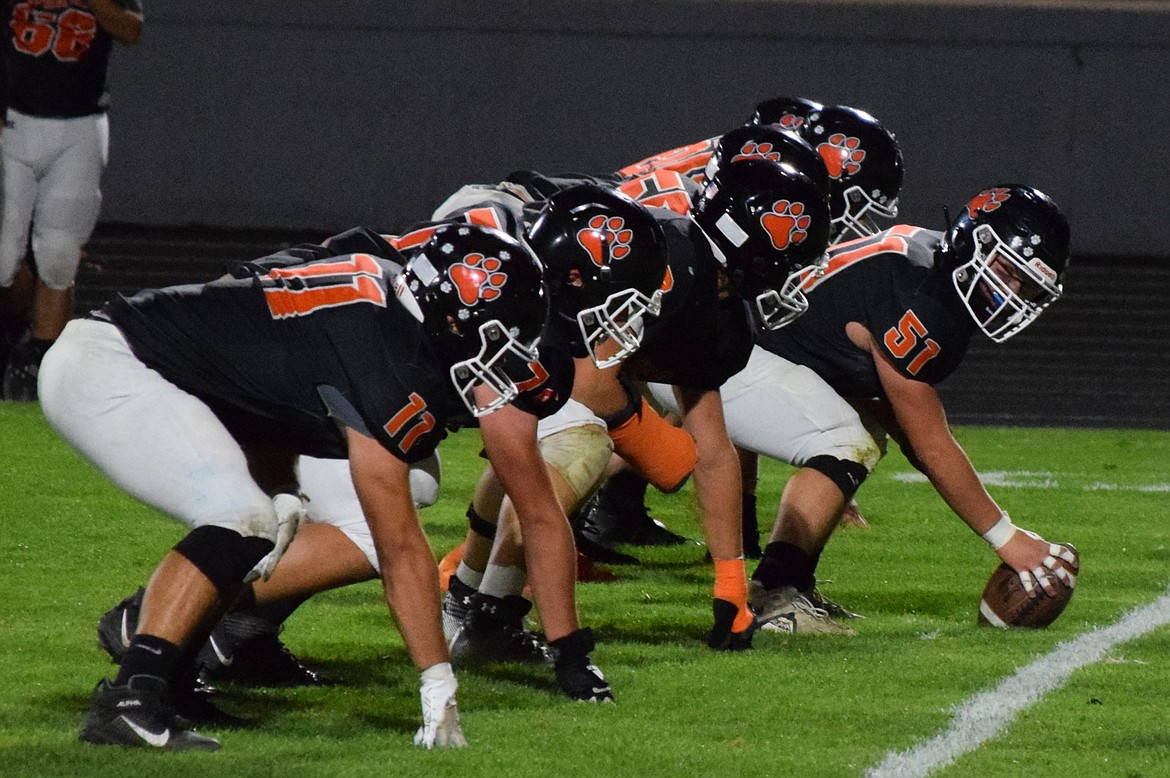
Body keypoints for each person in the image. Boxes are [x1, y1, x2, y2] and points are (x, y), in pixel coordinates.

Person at [40, 223, 588, 751]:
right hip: (112, 365)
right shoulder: (381, 351)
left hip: (150, 366)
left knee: (261, 522)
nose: (505, 362)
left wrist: (280, 480)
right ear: (452, 317)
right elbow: (398, 544)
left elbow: (262, 376)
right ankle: (129, 701)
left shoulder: (386, 312)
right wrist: (437, 683)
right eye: (501, 336)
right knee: (240, 518)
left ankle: (170, 683)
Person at [653, 184, 1080, 633]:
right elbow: (931, 445)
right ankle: (774, 596)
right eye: (1007, 271)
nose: (1011, 290)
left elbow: (897, 419)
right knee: (845, 440)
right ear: (975, 241)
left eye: (1027, 284)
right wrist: (1006, 538)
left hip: (726, 345)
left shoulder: (930, 263)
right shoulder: (924, 301)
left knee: (858, 439)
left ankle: (790, 583)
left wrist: (835, 484)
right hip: (717, 355)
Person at [0, 0, 144, 401]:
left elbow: (131, 29)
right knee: (2, 258)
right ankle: (13, 324)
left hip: (79, 125)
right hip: (11, 121)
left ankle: (40, 366)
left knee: (60, 255)